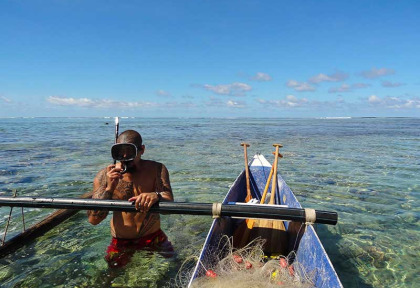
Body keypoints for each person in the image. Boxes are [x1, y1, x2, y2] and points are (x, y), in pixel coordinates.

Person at [87, 130, 174, 268]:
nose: (125, 157)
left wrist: (156, 195)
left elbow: (169, 205)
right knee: (110, 276)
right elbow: (93, 220)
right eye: (120, 152)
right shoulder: (105, 175)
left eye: (130, 152)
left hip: (154, 237)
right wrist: (109, 189)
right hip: (121, 242)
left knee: (174, 264)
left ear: (142, 150)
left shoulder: (157, 169)